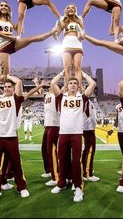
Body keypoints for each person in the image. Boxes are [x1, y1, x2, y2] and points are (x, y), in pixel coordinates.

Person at [50, 70, 96, 203]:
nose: (73, 85)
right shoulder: (61, 97)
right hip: (63, 133)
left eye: (75, 83)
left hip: (76, 134)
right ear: (67, 85)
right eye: (70, 83)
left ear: (78, 86)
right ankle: (62, 183)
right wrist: (62, 72)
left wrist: (83, 73)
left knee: (76, 161)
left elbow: (92, 84)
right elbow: (53, 83)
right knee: (62, 159)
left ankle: (78, 187)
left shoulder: (82, 98)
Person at [0, 74, 30, 203]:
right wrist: (1, 77)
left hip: (11, 136)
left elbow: (19, 82)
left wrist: (8, 75)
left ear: (13, 89)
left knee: (16, 164)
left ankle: (21, 187)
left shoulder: (16, 99)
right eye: (5, 87)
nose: (7, 89)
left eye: (10, 87)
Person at [0, 0, 58, 80]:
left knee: (31, 39)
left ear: (8, 8)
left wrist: (21, 16)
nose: (3, 7)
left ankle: (52, 32)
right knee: (5, 72)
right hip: (3, 46)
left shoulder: (9, 21)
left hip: (13, 42)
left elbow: (20, 30)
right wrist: (11, 37)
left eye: (6, 6)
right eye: (1, 5)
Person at [84, 7, 123, 83]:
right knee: (103, 42)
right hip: (122, 46)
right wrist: (112, 21)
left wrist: (122, 39)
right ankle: (84, 36)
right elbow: (111, 32)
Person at [55, 4, 85, 86]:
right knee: (67, 68)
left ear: (75, 10)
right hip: (66, 45)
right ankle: (68, 88)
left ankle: (78, 87)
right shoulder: (63, 21)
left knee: (77, 67)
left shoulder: (79, 20)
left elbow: (83, 34)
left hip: (77, 44)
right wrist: (55, 32)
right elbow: (57, 35)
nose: (70, 9)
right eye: (68, 7)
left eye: (72, 7)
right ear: (66, 10)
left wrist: (82, 35)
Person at [41, 84, 60, 186]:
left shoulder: (57, 95)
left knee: (52, 151)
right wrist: (37, 84)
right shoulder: (47, 95)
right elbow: (41, 92)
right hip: (47, 125)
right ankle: (49, 170)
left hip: (55, 125)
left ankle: (56, 176)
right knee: (44, 150)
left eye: (51, 86)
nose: (49, 86)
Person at [82, 99, 100, 182]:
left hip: (88, 128)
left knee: (86, 151)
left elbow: (91, 114)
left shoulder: (89, 101)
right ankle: (88, 173)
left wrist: (96, 120)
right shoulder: (84, 100)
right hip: (87, 128)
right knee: (90, 150)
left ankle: (84, 169)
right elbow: (86, 113)